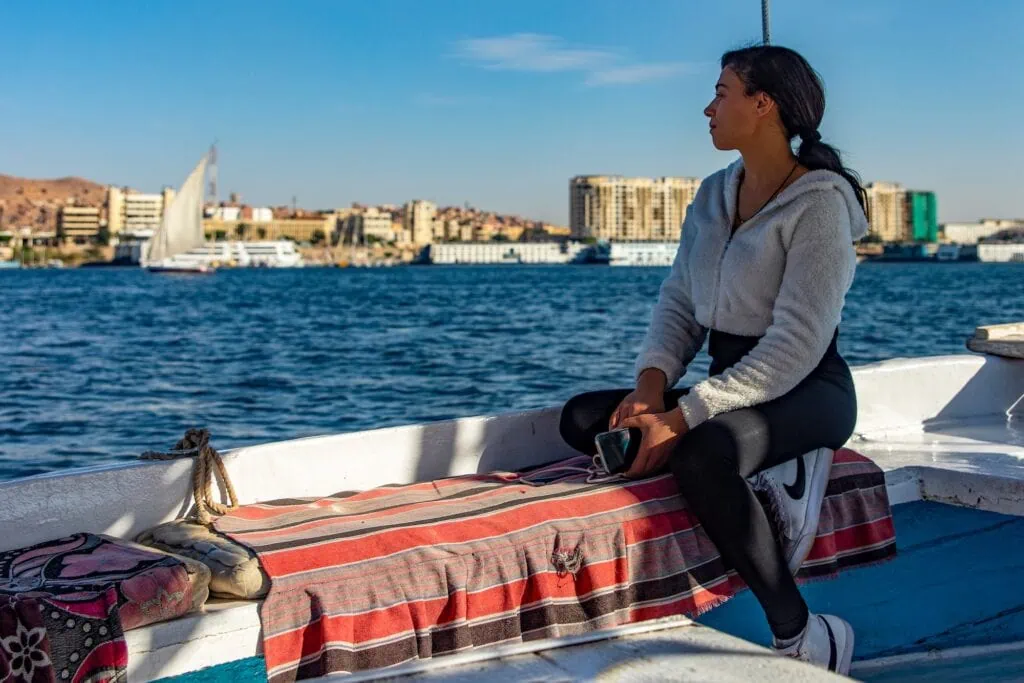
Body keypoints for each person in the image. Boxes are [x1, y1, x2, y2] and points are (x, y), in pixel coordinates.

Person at [559, 45, 868, 675]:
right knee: (586, 417)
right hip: (734, 383)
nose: (707, 107)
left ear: (763, 104)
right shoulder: (712, 195)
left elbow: (796, 344)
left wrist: (687, 417)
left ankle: (801, 633)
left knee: (704, 454)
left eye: (721, 93)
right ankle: (749, 469)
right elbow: (681, 301)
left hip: (808, 386)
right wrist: (650, 392)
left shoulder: (820, 204)